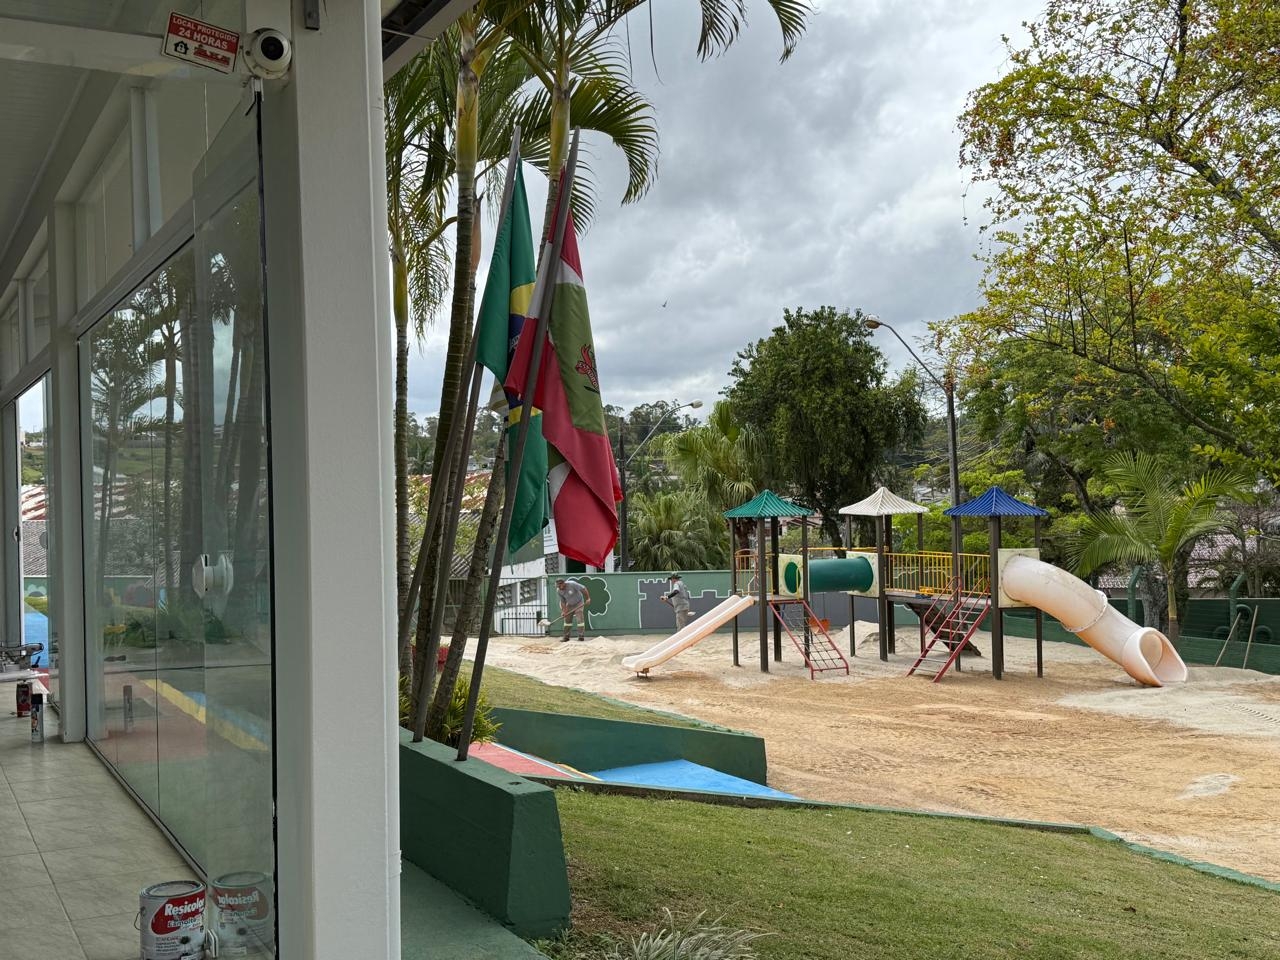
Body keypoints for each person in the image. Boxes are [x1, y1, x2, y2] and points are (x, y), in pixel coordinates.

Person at [555, 577, 590, 642]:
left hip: (579, 602)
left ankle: (581, 637)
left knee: (579, 619)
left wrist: (588, 598)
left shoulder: (572, 584)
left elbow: (583, 588)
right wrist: (564, 611)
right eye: (557, 586)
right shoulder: (559, 591)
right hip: (570, 604)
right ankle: (566, 637)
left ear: (563, 583)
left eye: (559, 586)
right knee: (567, 620)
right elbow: (563, 601)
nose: (558, 587)